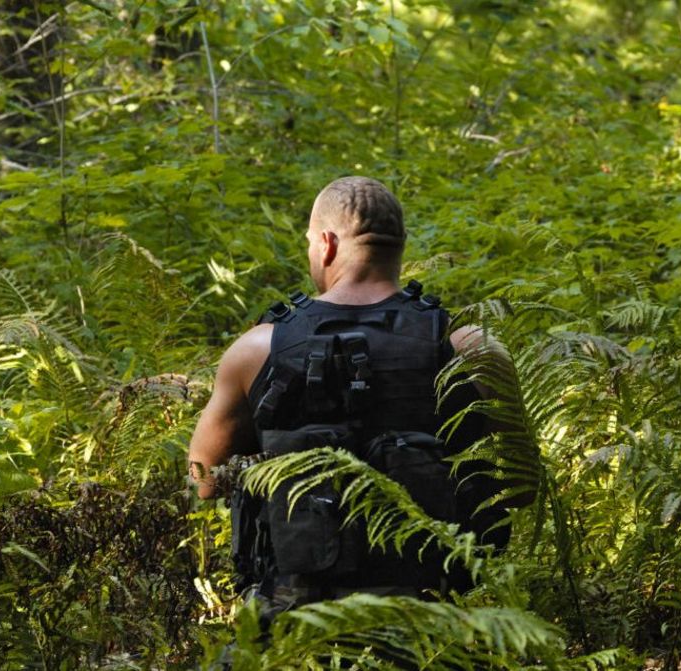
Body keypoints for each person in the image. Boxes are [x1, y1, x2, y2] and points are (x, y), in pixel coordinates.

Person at [188, 176, 516, 624]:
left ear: (324, 244)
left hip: (292, 620)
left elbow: (205, 481)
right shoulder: (471, 347)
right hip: (437, 619)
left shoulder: (256, 349)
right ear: (398, 246)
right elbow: (522, 486)